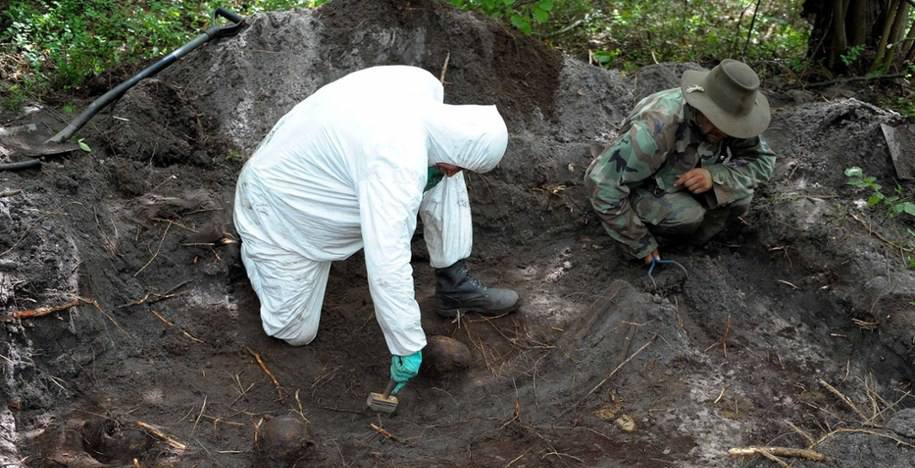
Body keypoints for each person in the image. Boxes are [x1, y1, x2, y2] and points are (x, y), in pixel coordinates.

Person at [233, 66, 519, 393]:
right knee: (293, 331)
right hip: (279, 210)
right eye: (459, 166)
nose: (455, 173)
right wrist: (406, 343)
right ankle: (253, 249)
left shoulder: (422, 89)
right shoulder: (395, 161)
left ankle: (454, 284)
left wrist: (432, 175)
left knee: (441, 171)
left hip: (329, 169)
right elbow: (387, 262)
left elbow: (439, 164)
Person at [585, 59, 776, 264]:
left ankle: (692, 248)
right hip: (642, 182)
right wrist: (639, 241)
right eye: (720, 122)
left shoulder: (734, 117)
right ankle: (660, 238)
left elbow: (762, 161)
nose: (727, 131)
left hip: (684, 173)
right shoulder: (656, 128)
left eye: (731, 126)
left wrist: (714, 175)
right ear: (704, 108)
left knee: (740, 198)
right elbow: (601, 182)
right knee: (687, 216)